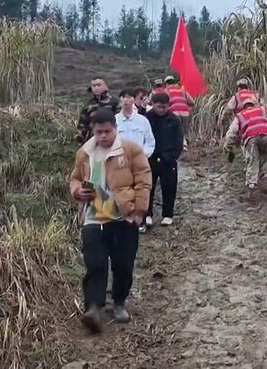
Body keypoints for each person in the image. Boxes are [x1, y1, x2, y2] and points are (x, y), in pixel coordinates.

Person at [68, 109, 151, 332]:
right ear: (93, 130)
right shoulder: (84, 152)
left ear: (115, 128)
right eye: (98, 132)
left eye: (107, 131)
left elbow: (144, 180)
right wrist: (78, 192)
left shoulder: (130, 149)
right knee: (95, 264)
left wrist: (139, 211)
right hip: (93, 218)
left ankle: (119, 302)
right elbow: (75, 178)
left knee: (123, 264)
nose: (103, 136)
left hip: (123, 217)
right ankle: (93, 307)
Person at [115, 88, 156, 232]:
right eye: (123, 97)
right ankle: (124, 221)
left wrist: (143, 156)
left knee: (140, 191)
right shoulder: (115, 121)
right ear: (120, 100)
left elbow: (150, 141)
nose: (127, 100)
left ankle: (141, 221)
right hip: (120, 163)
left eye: (129, 97)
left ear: (134, 99)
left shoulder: (142, 121)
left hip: (139, 163)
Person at [223, 100, 267, 199]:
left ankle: (252, 188)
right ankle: (266, 179)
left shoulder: (240, 115)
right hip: (266, 135)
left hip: (250, 139)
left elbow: (232, 132)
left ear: (244, 107)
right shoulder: (263, 110)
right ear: (254, 105)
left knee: (252, 162)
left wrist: (228, 146)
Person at [144, 93, 184, 227]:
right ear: (153, 105)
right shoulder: (146, 118)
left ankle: (167, 214)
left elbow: (178, 141)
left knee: (169, 187)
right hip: (150, 158)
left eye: (164, 107)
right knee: (148, 187)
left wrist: (171, 156)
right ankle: (147, 214)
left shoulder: (173, 119)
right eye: (159, 107)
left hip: (168, 159)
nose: (162, 110)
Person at [76, 77, 121, 143]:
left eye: (99, 85)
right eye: (94, 86)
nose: (96, 88)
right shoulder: (88, 105)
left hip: (112, 139)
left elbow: (120, 121)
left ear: (106, 86)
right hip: (93, 140)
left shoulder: (114, 102)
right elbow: (82, 125)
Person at [164, 75, 194, 150]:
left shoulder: (167, 90)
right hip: (185, 112)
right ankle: (185, 143)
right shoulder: (182, 89)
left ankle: (182, 145)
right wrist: (190, 107)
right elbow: (191, 101)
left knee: (177, 129)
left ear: (166, 84)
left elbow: (165, 102)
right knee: (185, 129)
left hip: (174, 112)